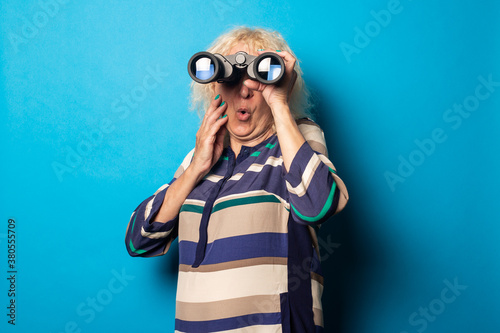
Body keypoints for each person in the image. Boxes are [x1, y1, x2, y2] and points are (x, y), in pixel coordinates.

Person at [125, 26, 349, 333]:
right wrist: (195, 169)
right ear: (214, 85)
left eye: (258, 76)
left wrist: (279, 105)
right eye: (230, 75)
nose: (243, 89)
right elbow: (139, 240)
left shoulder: (296, 140)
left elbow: (319, 205)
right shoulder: (200, 157)